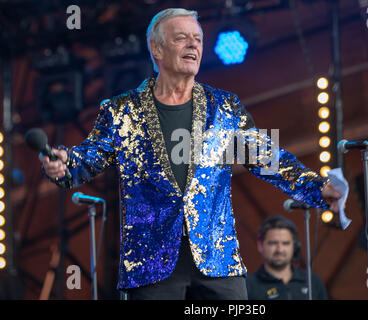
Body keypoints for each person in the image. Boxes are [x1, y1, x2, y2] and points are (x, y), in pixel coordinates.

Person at [39, 8, 343, 300]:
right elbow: (87, 159)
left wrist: (316, 187)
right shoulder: (122, 111)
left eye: (197, 38)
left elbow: (265, 157)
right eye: (181, 38)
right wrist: (63, 165)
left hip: (216, 257)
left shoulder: (224, 106)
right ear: (156, 49)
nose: (193, 45)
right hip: (150, 261)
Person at [246, 216, 328, 300]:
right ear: (260, 245)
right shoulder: (247, 286)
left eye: (285, 243)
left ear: (295, 246)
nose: (280, 249)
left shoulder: (313, 281)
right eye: (273, 243)